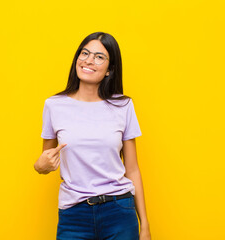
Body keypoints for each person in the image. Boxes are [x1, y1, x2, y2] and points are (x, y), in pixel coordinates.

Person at [34, 32, 151, 240]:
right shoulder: (54, 105)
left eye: (99, 57)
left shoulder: (123, 106)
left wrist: (145, 227)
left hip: (119, 211)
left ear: (110, 69)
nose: (89, 60)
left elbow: (132, 169)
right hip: (74, 214)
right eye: (85, 53)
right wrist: (40, 166)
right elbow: (45, 161)